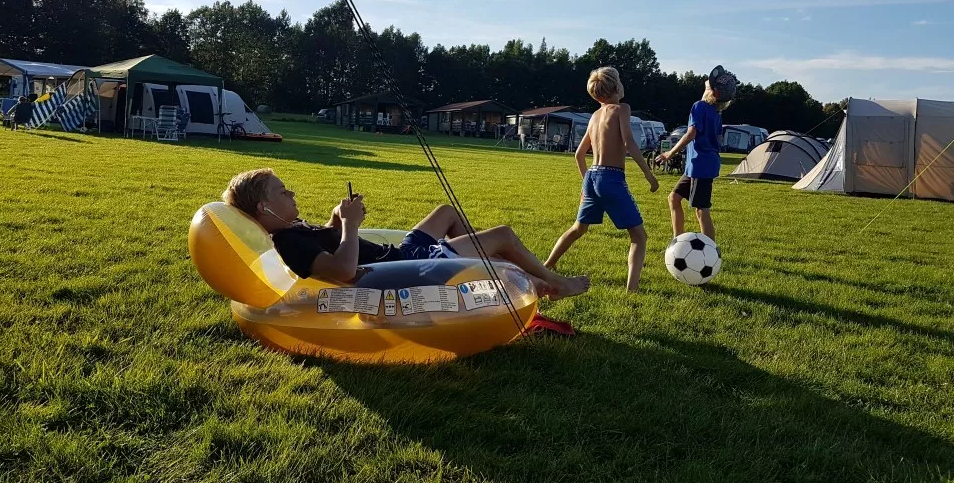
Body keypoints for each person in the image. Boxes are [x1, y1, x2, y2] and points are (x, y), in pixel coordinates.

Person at [222, 168, 590, 299]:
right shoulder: (288, 242)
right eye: (282, 192)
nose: (292, 194)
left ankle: (486, 269)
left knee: (446, 212)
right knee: (504, 235)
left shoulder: (293, 229)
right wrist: (351, 225)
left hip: (399, 253)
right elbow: (343, 272)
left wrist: (335, 221)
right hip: (408, 268)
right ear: (262, 208)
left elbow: (331, 246)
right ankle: (552, 281)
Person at [544, 67, 659, 292]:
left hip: (592, 176)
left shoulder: (595, 116)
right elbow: (629, 143)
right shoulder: (622, 108)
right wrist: (649, 174)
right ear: (616, 87)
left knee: (578, 228)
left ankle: (547, 265)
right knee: (638, 236)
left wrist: (586, 184)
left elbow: (579, 155)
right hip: (611, 177)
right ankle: (632, 290)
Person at [656, 65, 737, 242]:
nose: (704, 85)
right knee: (674, 198)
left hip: (701, 165)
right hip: (697, 165)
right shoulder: (716, 112)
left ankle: (711, 250)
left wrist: (669, 153)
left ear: (713, 93)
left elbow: (691, 133)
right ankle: (677, 240)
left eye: (707, 86)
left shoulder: (699, 106)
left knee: (701, 209)